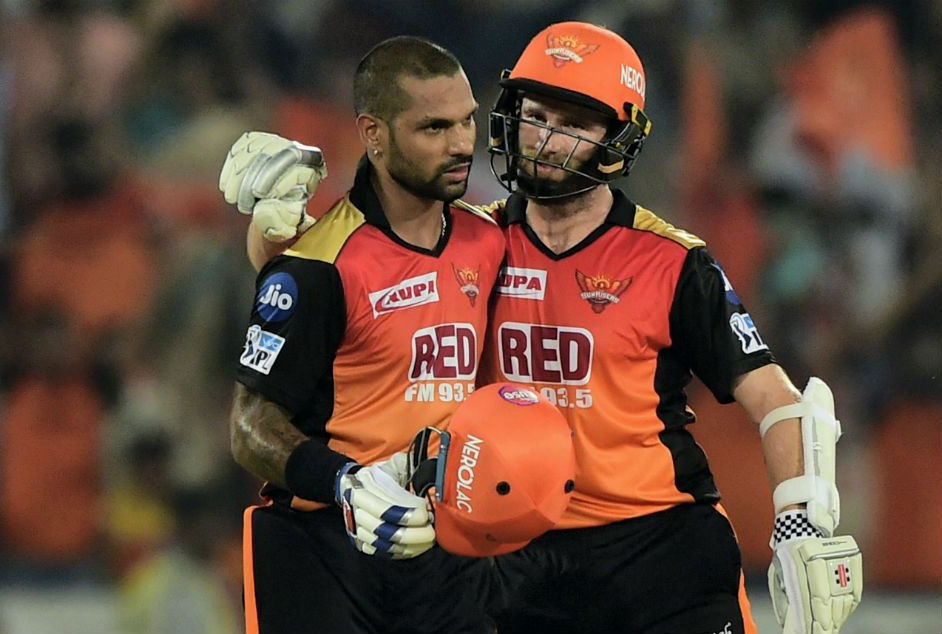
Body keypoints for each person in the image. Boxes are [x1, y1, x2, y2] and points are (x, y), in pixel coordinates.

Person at [224, 22, 863, 634]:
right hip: (513, 558)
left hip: (660, 548)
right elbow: (326, 280)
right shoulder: (475, 237)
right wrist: (270, 221)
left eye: (574, 124)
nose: (545, 138)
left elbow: (778, 400)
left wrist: (801, 522)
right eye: (535, 115)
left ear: (619, 138)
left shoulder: (673, 261)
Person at [220, 35, 505, 633]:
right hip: (322, 552)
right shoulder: (317, 266)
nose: (461, 146)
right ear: (373, 134)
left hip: (448, 548)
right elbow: (249, 428)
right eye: (434, 128)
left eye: (467, 121)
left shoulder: (492, 240)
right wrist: (347, 484)